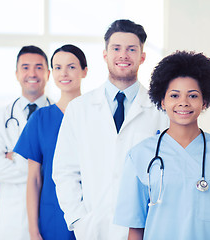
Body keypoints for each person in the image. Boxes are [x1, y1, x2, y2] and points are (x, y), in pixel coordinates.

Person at [113, 51, 210, 240]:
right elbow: (136, 228)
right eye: (174, 95)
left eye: (193, 96)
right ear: (162, 101)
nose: (183, 103)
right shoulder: (139, 155)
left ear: (205, 101)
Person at [52, 19, 169, 239]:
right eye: (116, 48)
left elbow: (167, 173)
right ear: (105, 55)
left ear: (142, 57)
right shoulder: (79, 108)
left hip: (145, 229)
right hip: (93, 228)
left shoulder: (160, 110)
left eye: (131, 49)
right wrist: (79, 220)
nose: (123, 55)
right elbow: (65, 171)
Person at [14, 44, 87, 240]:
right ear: (51, 73)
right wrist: (33, 230)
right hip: (52, 217)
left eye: (71, 67)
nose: (64, 73)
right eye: (57, 67)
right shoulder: (40, 119)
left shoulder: (95, 115)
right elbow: (34, 179)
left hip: (91, 215)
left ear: (84, 71)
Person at [0, 45, 52, 240]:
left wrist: (16, 157)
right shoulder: (0, 117)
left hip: (49, 213)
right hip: (12, 220)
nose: (32, 73)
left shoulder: (60, 115)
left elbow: (65, 169)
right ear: (16, 74)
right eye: (25, 67)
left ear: (48, 73)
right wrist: (40, 165)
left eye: (38, 67)